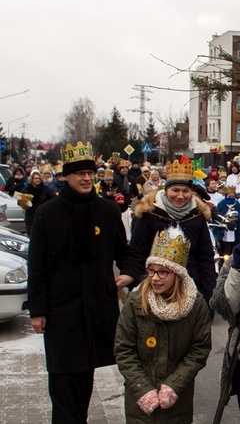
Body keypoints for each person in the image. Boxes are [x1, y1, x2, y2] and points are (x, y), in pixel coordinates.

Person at [28, 141, 140, 423]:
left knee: (85, 379)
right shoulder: (47, 213)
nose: (86, 178)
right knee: (64, 383)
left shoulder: (107, 211)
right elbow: (37, 266)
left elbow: (124, 252)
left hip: (96, 311)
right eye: (79, 173)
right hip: (61, 314)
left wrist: (128, 273)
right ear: (66, 176)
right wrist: (38, 310)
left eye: (90, 172)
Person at [114, 228, 212, 422]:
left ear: (177, 274)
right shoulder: (135, 302)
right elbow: (123, 349)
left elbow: (199, 349)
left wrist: (174, 385)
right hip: (140, 402)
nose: (155, 278)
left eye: (163, 272)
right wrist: (142, 388)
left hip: (178, 403)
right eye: (151, 271)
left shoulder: (195, 305)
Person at [131, 157, 217, 305]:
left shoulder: (197, 217)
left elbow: (205, 258)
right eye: (175, 190)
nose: (180, 195)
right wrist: (141, 288)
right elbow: (137, 253)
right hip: (153, 288)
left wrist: (207, 296)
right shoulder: (149, 214)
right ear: (166, 190)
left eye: (185, 191)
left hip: (190, 290)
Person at [21, 169, 57, 234]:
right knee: (31, 233)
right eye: (35, 178)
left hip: (42, 213)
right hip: (30, 214)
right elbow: (20, 200)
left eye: (39, 178)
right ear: (32, 179)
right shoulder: (27, 188)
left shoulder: (45, 188)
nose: (37, 180)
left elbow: (53, 198)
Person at [217, 184, 240, 255]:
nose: (231, 198)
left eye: (233, 197)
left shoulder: (236, 203)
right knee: (226, 249)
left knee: (233, 247)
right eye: (229, 196)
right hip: (225, 230)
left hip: (234, 229)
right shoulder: (221, 204)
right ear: (226, 196)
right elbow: (218, 216)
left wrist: (237, 217)